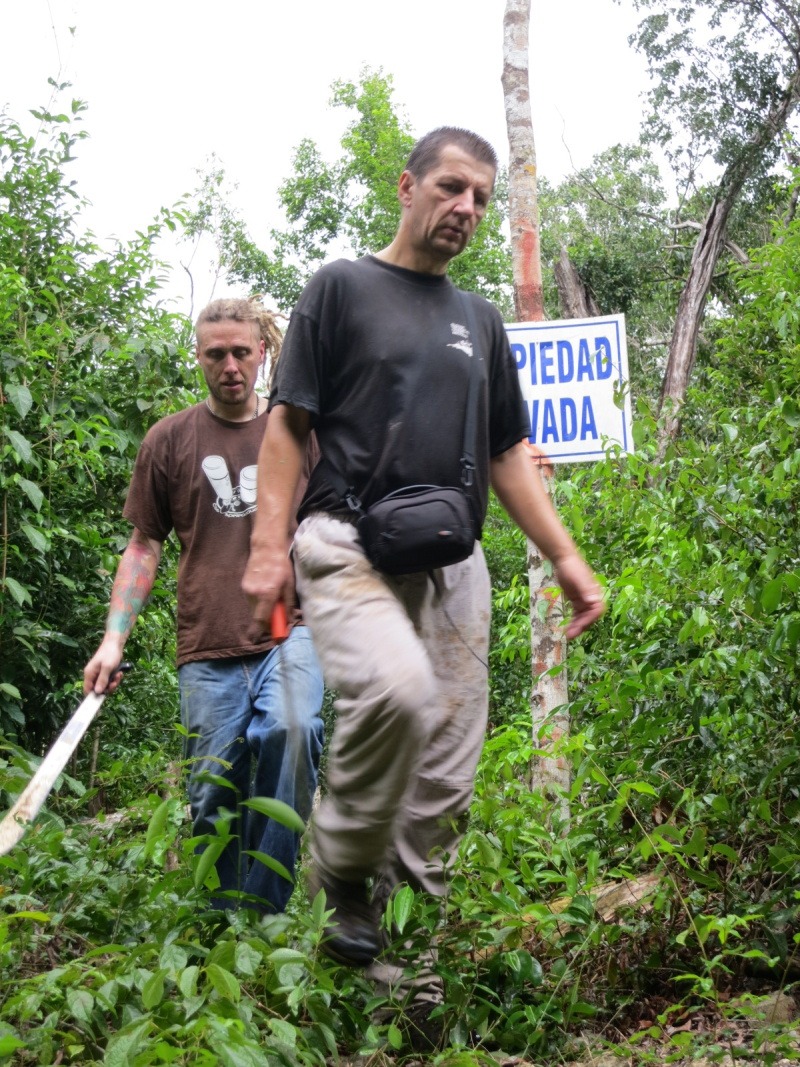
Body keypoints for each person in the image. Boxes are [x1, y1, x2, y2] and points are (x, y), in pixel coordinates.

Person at [242, 128, 604, 1040]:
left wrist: (565, 557)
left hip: (455, 561)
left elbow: (505, 451)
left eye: (481, 198)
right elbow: (288, 425)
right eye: (452, 188)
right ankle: (343, 873)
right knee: (396, 695)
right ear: (408, 186)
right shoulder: (340, 287)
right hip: (345, 538)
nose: (468, 210)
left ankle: (411, 980)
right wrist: (264, 547)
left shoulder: (479, 319)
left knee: (444, 774)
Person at [84, 297, 324, 915]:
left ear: (262, 352)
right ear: (198, 357)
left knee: (292, 732)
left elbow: (333, 524)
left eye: (242, 352)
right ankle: (223, 930)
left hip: (286, 630)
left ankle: (265, 916)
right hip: (207, 645)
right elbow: (143, 547)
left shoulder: (295, 431)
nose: (230, 366)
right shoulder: (170, 439)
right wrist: (114, 639)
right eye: (216, 354)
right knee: (214, 793)